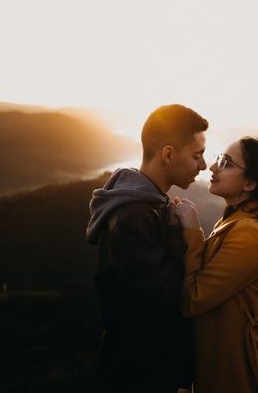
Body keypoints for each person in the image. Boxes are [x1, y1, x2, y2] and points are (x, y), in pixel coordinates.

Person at [85, 104, 208, 393]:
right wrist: (189, 235)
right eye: (197, 156)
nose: (202, 166)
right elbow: (164, 296)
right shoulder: (132, 217)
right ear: (168, 154)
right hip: (137, 375)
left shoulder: (150, 207)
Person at [173, 136, 258, 393]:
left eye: (227, 163)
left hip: (246, 371)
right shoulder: (236, 220)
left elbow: (193, 299)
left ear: (249, 183)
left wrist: (192, 232)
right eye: (219, 159)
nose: (213, 168)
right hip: (228, 364)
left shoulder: (249, 234)